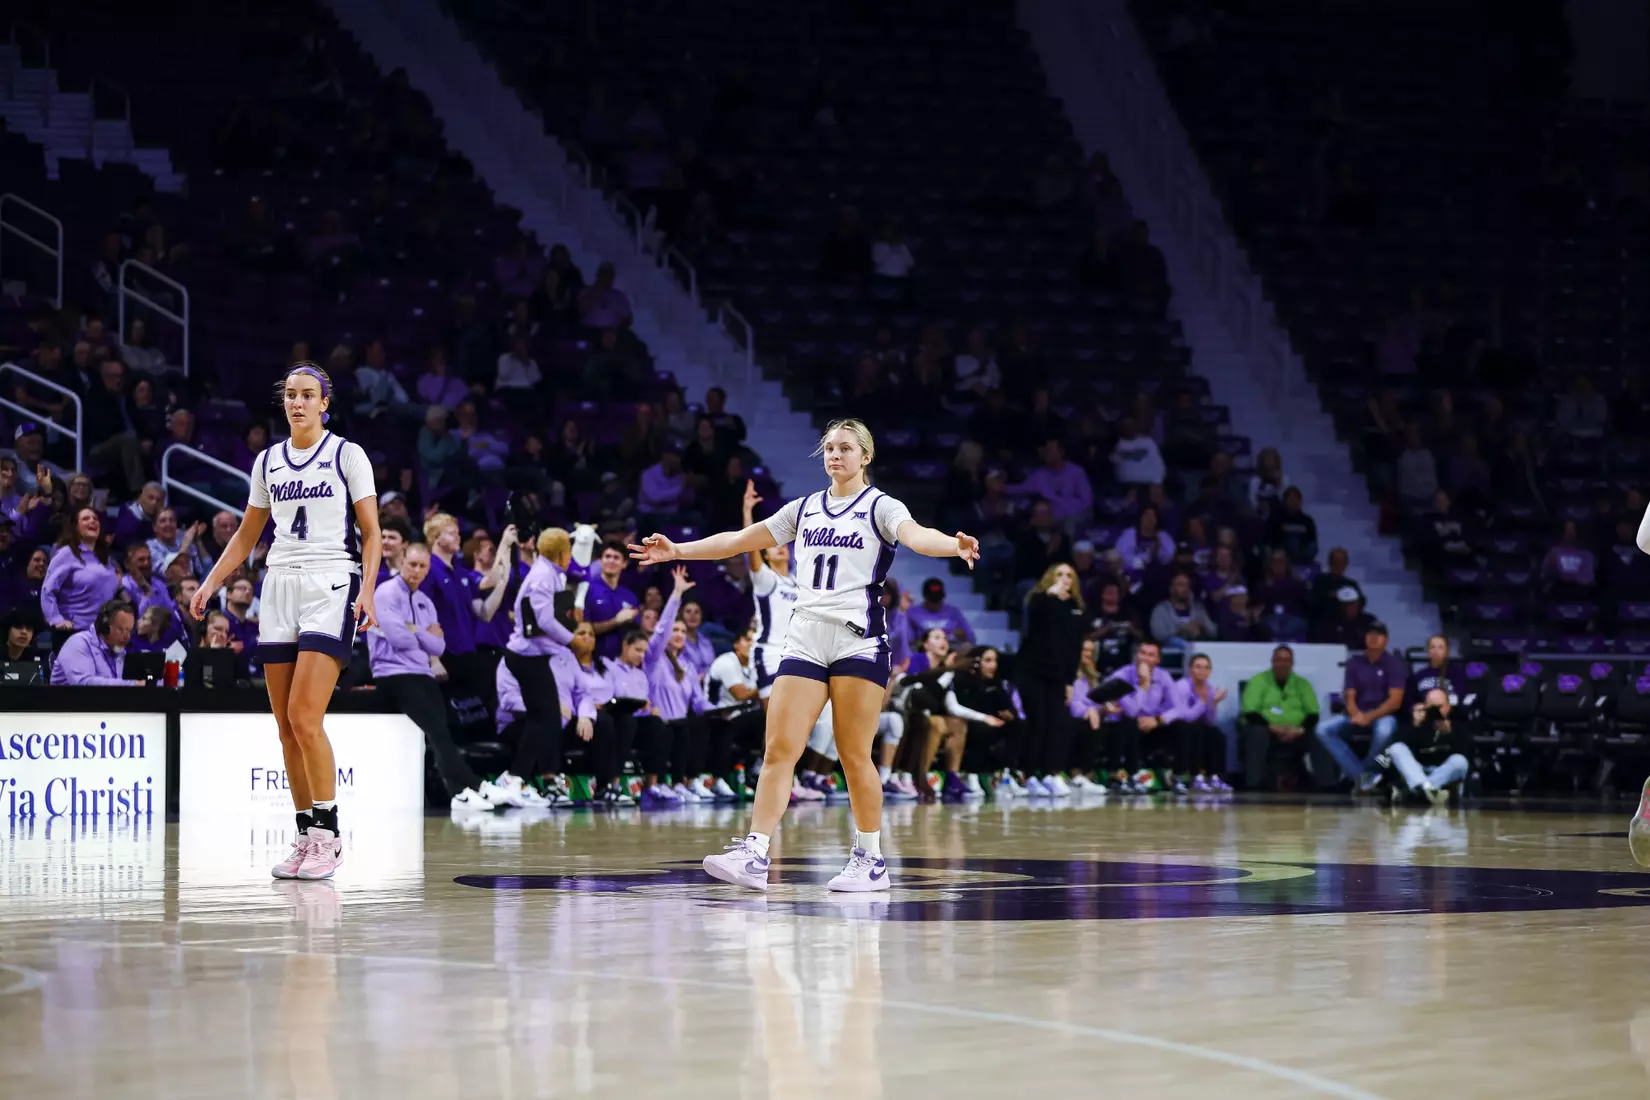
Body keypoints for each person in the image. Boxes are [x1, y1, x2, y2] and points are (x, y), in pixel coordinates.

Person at [630, 418, 979, 892]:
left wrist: (952, 546)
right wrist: (677, 551)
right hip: (805, 639)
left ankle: (870, 860)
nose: (835, 455)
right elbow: (738, 541)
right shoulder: (805, 509)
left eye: (846, 448)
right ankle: (755, 852)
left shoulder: (881, 506)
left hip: (858, 640)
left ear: (865, 457)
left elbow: (917, 536)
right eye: (830, 448)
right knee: (779, 749)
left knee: (855, 755)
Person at [190, 362, 382, 882]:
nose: (297, 403)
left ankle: (329, 835)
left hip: (331, 581)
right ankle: (304, 834)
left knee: (303, 715)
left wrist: (366, 590)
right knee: (284, 729)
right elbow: (247, 535)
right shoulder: (268, 461)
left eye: (307, 395)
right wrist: (210, 582)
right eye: (290, 395)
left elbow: (371, 534)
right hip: (279, 585)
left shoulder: (347, 455)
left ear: (325, 403)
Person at [366, 542, 507, 812]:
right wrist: (423, 632)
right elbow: (398, 639)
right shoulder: (385, 594)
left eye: (422, 567)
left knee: (440, 732)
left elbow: (439, 647)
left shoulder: (424, 601)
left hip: (422, 673)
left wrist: (414, 631)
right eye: (412, 565)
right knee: (437, 731)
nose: (416, 571)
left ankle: (459, 793)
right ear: (402, 562)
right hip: (393, 674)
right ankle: (473, 785)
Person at [1017, 563, 1086, 797]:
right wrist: (1050, 596)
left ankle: (1049, 773)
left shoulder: (1076, 607)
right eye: (1059, 574)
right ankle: (1029, 775)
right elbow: (1032, 626)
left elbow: (1075, 647)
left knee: (1054, 725)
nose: (1065, 579)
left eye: (1069, 575)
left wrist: (1069, 681)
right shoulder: (1039, 599)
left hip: (1058, 675)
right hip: (1033, 670)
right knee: (1038, 723)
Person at [1313, 621, 1405, 792]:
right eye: (1370, 634)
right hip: (1357, 713)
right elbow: (1349, 694)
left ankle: (1366, 774)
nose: (1374, 638)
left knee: (1385, 730)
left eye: (1378, 635)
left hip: (1383, 714)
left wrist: (1369, 717)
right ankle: (1363, 776)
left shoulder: (1394, 664)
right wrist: (1356, 713)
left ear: (1386, 640)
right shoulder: (1354, 662)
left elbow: (1395, 701)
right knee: (1323, 729)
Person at [1383, 635, 1470, 805]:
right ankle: (1427, 789)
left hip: (1441, 770)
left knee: (1461, 762)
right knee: (1395, 748)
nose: (1435, 711)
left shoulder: (1455, 720)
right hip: (1418, 768)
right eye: (1433, 647)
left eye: (1441, 647)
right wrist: (1414, 725)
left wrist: (1450, 732)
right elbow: (1392, 751)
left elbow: (1466, 752)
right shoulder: (1418, 679)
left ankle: (1415, 790)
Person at [742, 480, 799, 701]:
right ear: (765, 555)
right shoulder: (766, 579)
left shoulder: (799, 583)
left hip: (795, 655)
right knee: (775, 726)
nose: (780, 547)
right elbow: (749, 545)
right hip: (769, 653)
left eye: (783, 544)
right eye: (773, 545)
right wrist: (748, 512)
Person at [1239, 645, 1320, 791]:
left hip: (1296, 732)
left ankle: (1326, 784)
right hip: (1266, 730)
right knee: (1257, 733)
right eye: (1279, 660)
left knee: (1321, 735)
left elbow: (1313, 713)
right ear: (1272, 661)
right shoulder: (1258, 680)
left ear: (1292, 663)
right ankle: (1254, 784)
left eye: (1287, 660)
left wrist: (1299, 729)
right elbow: (1250, 712)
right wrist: (1272, 727)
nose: (1282, 664)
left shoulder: (1303, 684)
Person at [1160, 653, 1232, 792]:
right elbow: (1186, 716)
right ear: (1190, 669)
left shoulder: (1209, 689)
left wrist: (1214, 703)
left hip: (1194, 727)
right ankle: (1192, 776)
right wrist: (1203, 702)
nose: (1202, 671)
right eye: (1197, 667)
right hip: (1172, 726)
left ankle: (1214, 776)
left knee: (1216, 734)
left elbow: (1210, 721)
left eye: (1206, 668)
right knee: (1194, 728)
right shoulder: (1181, 686)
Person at [42, 508, 121, 631]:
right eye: (85, 518)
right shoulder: (66, 554)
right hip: (73, 630)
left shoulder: (104, 557)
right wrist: (56, 619)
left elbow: (114, 589)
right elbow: (48, 590)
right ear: (75, 527)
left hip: (101, 631)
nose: (92, 521)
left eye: (95, 518)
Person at [49, 599, 139, 686]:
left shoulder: (119, 650)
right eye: (121, 629)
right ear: (105, 627)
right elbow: (84, 683)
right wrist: (133, 684)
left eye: (129, 631)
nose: (127, 637)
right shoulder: (78, 643)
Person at [580, 543, 640, 659]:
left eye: (616, 557)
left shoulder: (629, 596)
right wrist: (615, 621)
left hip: (622, 664)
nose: (611, 561)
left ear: (624, 564)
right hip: (594, 660)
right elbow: (581, 629)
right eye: (607, 556)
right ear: (601, 561)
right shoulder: (588, 590)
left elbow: (636, 634)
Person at [906, 577, 976, 648]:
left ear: (943, 597)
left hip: (950, 646)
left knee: (967, 647)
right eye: (932, 600)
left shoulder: (953, 612)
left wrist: (963, 635)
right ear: (925, 597)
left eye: (937, 600)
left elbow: (971, 638)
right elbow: (908, 640)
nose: (935, 604)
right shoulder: (912, 613)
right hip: (924, 647)